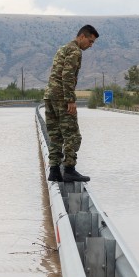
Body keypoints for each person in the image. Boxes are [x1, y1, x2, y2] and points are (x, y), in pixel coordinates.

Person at [45, 24, 99, 182]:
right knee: (73, 136)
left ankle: (54, 171)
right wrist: (70, 100)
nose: (90, 45)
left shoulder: (63, 48)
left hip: (50, 96)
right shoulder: (75, 51)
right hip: (62, 97)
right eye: (90, 41)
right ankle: (69, 169)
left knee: (55, 135)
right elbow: (67, 75)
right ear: (82, 36)